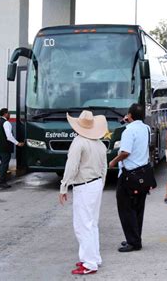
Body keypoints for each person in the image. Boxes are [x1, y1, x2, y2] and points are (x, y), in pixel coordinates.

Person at [58, 110, 108, 275]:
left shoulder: (79, 142)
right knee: (92, 223)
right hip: (96, 184)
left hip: (84, 186)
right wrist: (101, 184)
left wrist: (64, 186)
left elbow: (71, 166)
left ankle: (89, 263)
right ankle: (94, 257)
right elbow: (104, 168)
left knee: (82, 225)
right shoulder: (100, 144)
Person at [109, 103, 150, 253]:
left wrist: (113, 161)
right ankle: (135, 237)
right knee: (138, 208)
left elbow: (125, 152)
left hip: (129, 175)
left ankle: (133, 242)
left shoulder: (128, 131)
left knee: (126, 209)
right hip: (143, 174)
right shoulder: (146, 128)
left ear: (129, 115)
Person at [0, 108, 24, 188]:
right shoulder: (6, 123)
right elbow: (9, 136)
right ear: (5, 114)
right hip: (5, 147)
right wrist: (17, 143)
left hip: (0, 146)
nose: (10, 115)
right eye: (9, 113)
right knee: (4, 164)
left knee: (2, 163)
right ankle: (1, 181)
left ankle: (0, 179)